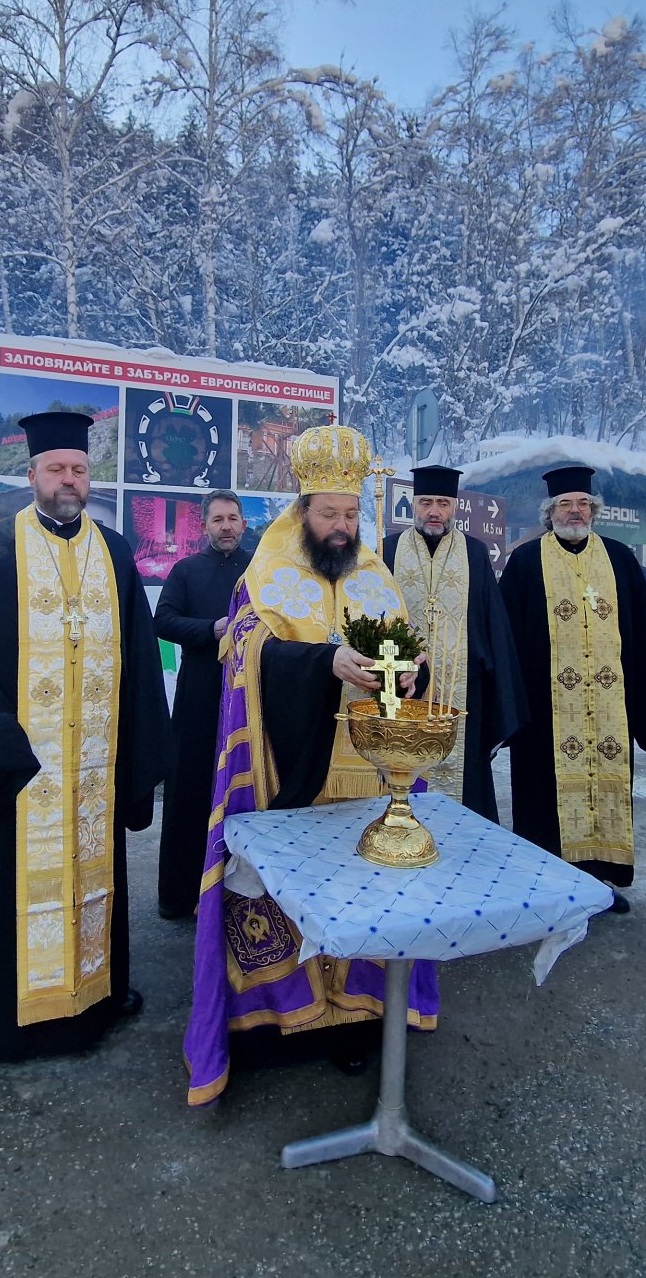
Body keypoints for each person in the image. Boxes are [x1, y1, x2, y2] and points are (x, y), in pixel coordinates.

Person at [183, 424, 431, 1106]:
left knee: (365, 889)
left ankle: (357, 1013)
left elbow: (405, 651)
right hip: (290, 771)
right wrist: (323, 663)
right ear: (303, 508)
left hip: (367, 772)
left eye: (351, 515)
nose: (342, 527)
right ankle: (279, 1017)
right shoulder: (265, 570)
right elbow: (242, 653)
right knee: (293, 890)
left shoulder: (375, 572)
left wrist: (413, 673)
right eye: (330, 514)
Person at [0, 411, 172, 1059]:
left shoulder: (113, 553)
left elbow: (139, 657)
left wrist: (138, 755)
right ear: (31, 475)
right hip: (13, 774)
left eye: (79, 470)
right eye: (56, 468)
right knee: (1, 895)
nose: (68, 480)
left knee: (92, 887)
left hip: (91, 773)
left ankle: (93, 1004)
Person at [498, 466, 646, 913]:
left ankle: (599, 884)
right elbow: (507, 639)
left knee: (607, 794)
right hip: (546, 715)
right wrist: (511, 708)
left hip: (609, 712)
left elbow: (643, 635)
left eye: (583, 504)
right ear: (550, 512)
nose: (575, 511)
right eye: (566, 504)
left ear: (594, 510)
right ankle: (544, 886)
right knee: (542, 799)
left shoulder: (620, 558)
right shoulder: (525, 562)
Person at [380, 466, 528, 822]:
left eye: (443, 503)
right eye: (426, 502)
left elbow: (492, 622)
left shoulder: (474, 553)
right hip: (403, 691)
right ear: (413, 505)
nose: (434, 511)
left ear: (454, 507)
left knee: (465, 777)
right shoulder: (388, 549)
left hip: (464, 693)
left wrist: (495, 682)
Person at [153, 489, 251, 918]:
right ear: (205, 526)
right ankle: (180, 896)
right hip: (200, 697)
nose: (226, 527)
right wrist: (211, 629)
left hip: (252, 698)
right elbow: (164, 620)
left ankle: (245, 896)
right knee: (191, 792)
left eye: (232, 518)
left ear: (243, 524)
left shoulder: (262, 570)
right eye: (218, 520)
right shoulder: (187, 570)